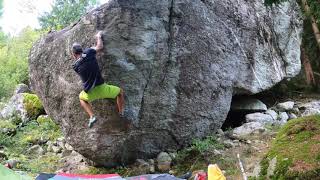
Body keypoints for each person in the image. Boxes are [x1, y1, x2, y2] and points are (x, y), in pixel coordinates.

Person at [72, 31, 125, 128]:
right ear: (82, 50)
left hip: (89, 93)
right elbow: (100, 46)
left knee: (81, 98)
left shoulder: (75, 66)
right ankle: (121, 112)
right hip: (103, 88)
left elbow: (81, 61)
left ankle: (92, 116)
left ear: (74, 55)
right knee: (120, 92)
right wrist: (99, 36)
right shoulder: (88, 52)